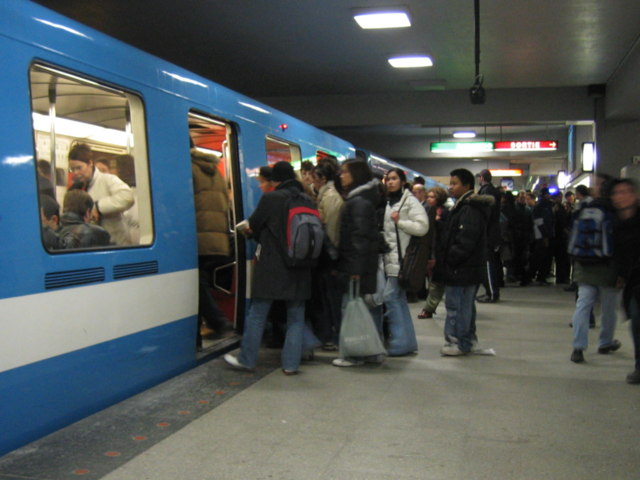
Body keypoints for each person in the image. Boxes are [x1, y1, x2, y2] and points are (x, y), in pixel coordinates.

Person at [224, 161, 318, 375]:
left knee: (257, 314)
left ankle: (247, 359)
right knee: (296, 318)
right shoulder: (308, 199)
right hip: (302, 266)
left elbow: (255, 226)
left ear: (276, 180)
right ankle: (291, 365)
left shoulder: (271, 198)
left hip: (273, 265)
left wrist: (249, 231)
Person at [332, 159, 384, 367]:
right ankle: (371, 353)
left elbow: (359, 239)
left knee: (352, 311)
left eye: (344, 172)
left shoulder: (359, 202)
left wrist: (355, 270)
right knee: (365, 312)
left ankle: (354, 354)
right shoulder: (361, 199)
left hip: (356, 267)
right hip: (362, 266)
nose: (341, 176)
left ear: (356, 175)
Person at [437, 169, 492, 355]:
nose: (450, 187)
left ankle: (457, 342)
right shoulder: (465, 207)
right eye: (450, 183)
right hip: (468, 268)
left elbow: (464, 242)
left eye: (454, 184)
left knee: (456, 306)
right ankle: (467, 340)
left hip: (461, 269)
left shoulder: (468, 209)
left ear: (467, 186)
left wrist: (450, 261)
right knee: (466, 306)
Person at [569, 174, 621, 363]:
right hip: (608, 266)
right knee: (608, 309)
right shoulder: (615, 211)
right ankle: (605, 342)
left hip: (584, 265)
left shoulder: (585, 207)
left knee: (582, 306)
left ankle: (578, 347)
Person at [382, 168, 428, 356]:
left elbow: (422, 227)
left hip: (403, 260)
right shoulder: (388, 202)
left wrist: (401, 222)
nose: (390, 182)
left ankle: (401, 342)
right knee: (398, 299)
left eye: (394, 179)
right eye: (388, 179)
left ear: (402, 181)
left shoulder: (409, 202)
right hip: (391, 258)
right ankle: (407, 342)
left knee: (390, 297)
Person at [191, 145, 234, 341]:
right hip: (216, 239)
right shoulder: (215, 171)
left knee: (195, 285)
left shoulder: (188, 167)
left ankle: (217, 321)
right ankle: (204, 326)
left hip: (198, 237)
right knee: (199, 282)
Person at [68, 143, 134, 245]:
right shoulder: (76, 188)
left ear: (90, 163)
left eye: (79, 168)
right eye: (73, 169)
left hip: (116, 244)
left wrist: (98, 207)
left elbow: (127, 197)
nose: (76, 173)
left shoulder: (107, 180)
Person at [312, 163, 344, 348]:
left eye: (315, 180)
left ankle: (336, 338)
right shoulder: (327, 194)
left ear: (323, 179)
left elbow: (331, 231)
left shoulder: (330, 196)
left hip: (330, 258)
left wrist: (332, 258)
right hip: (329, 258)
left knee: (333, 301)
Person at [612, 179, 640, 383]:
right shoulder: (617, 223)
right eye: (617, 193)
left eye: (626, 192)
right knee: (636, 324)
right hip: (633, 282)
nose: (621, 197)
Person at [418, 186, 449, 319]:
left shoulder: (445, 213)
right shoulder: (425, 210)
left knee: (436, 281)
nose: (430, 199)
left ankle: (429, 308)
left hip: (439, 250)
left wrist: (438, 221)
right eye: (428, 197)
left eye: (433, 197)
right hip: (427, 248)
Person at [477, 169, 503, 302]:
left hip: (488, 233)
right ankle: (491, 291)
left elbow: (486, 212)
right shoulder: (494, 191)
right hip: (494, 231)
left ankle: (492, 293)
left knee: (488, 264)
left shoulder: (486, 191)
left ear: (481, 178)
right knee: (492, 263)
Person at [522, 188, 555, 286]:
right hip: (541, 235)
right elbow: (539, 221)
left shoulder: (548, 205)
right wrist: (545, 235)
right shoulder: (541, 206)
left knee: (544, 257)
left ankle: (539, 276)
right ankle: (532, 276)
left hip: (547, 234)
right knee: (539, 257)